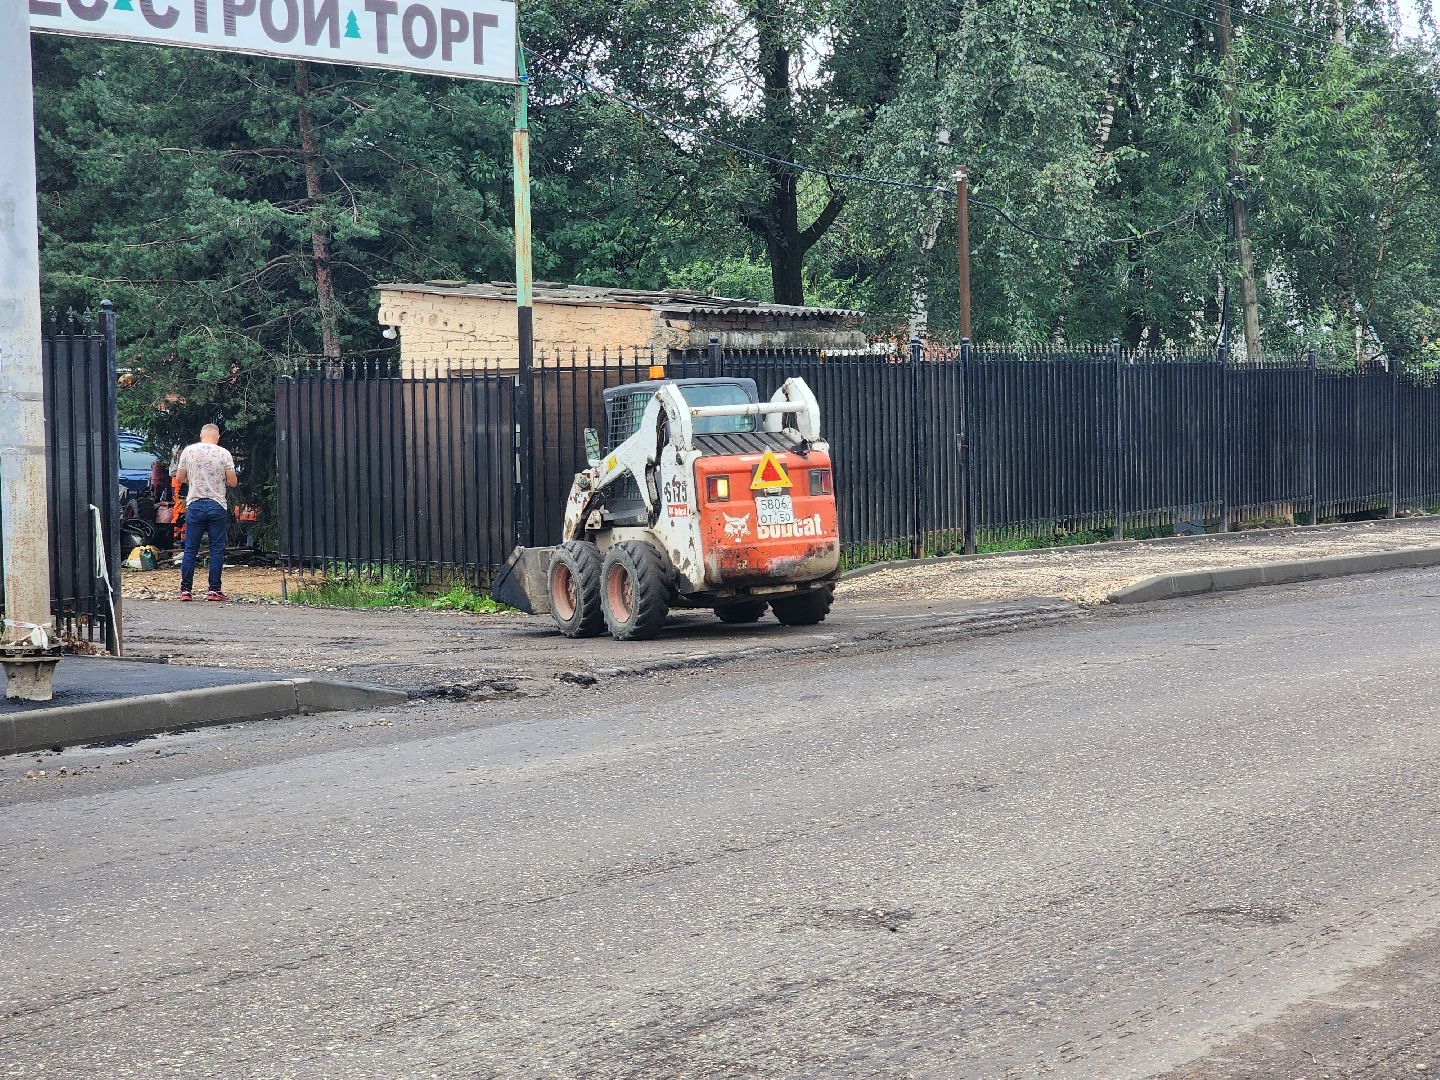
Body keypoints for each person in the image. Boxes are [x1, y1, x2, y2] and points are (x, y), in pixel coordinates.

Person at [175, 424, 238, 602]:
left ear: (201, 435)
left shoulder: (189, 451)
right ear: (217, 437)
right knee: (216, 549)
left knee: (190, 549)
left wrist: (193, 479)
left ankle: (186, 590)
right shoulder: (223, 453)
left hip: (195, 503)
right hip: (217, 504)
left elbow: (179, 478)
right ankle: (214, 590)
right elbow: (233, 482)